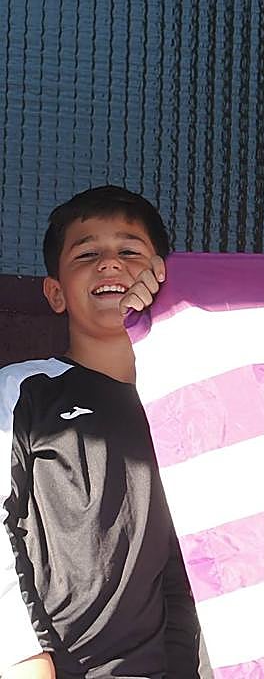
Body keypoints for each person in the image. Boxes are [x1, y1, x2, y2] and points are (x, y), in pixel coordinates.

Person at [1, 186, 200, 679]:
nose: (111, 265)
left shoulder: (191, 401)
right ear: (55, 292)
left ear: (161, 277)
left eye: (130, 251)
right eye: (87, 253)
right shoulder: (21, 390)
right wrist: (22, 658)